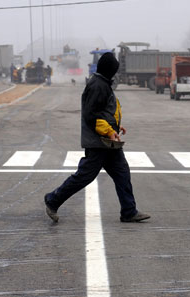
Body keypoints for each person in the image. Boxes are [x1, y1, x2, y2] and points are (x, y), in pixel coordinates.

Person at [44, 52, 150, 223]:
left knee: (122, 173)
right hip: (99, 143)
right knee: (84, 176)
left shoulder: (102, 83)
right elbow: (92, 115)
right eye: (114, 71)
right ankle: (52, 200)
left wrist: (115, 127)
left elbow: (104, 111)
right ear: (110, 70)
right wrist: (109, 131)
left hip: (109, 143)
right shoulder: (98, 85)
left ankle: (129, 211)